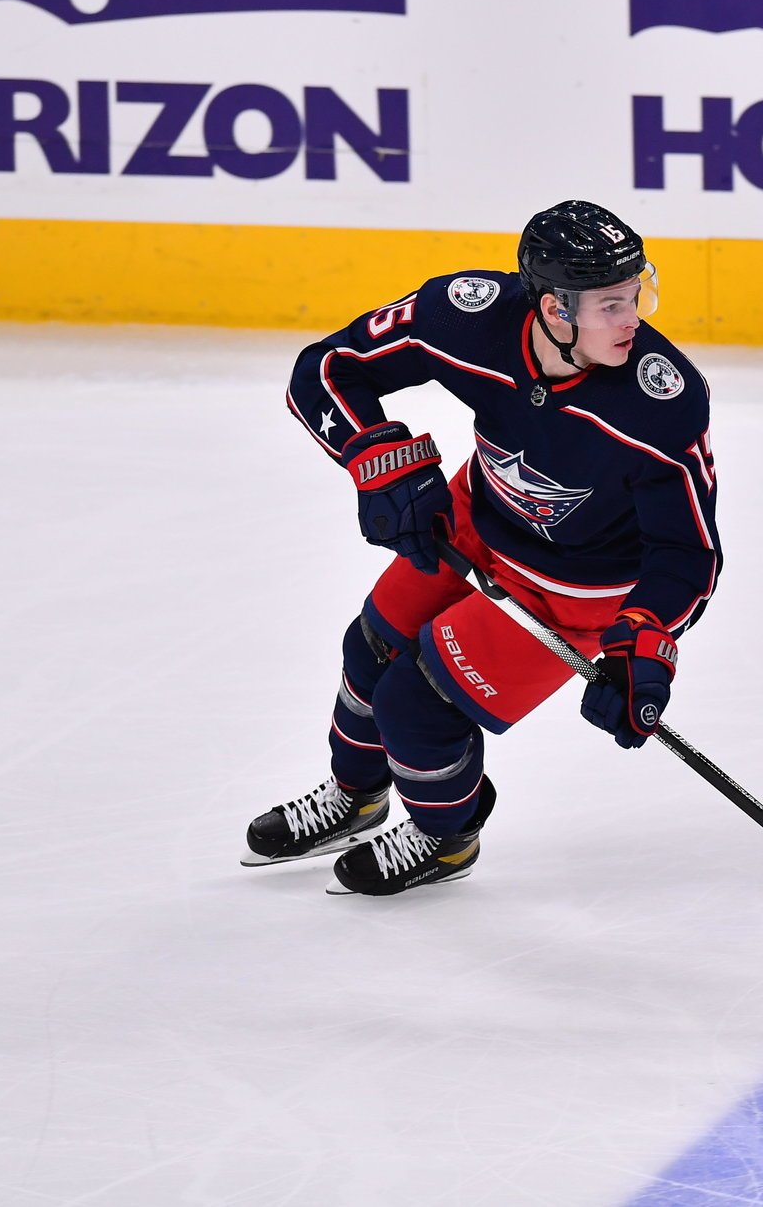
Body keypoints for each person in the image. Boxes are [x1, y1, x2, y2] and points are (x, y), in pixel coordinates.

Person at [241, 201, 721, 895]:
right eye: (612, 304)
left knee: (417, 703)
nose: (634, 320)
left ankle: (445, 836)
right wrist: (377, 458)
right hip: (475, 519)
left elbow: (688, 552)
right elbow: (327, 367)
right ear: (554, 308)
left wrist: (645, 640)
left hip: (571, 591)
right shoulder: (466, 315)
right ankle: (355, 797)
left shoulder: (661, 402)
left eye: (637, 294)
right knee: (369, 648)